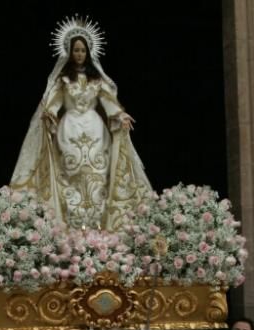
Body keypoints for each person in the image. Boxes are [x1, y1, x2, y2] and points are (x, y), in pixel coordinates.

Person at [10, 17, 151, 230]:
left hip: (96, 131)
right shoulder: (63, 80)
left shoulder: (97, 80)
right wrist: (49, 113)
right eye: (76, 50)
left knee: (98, 175)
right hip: (70, 130)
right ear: (69, 52)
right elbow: (55, 102)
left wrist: (119, 115)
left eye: (82, 51)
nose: (79, 54)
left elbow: (108, 102)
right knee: (71, 174)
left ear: (88, 52)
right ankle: (73, 226)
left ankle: (98, 224)